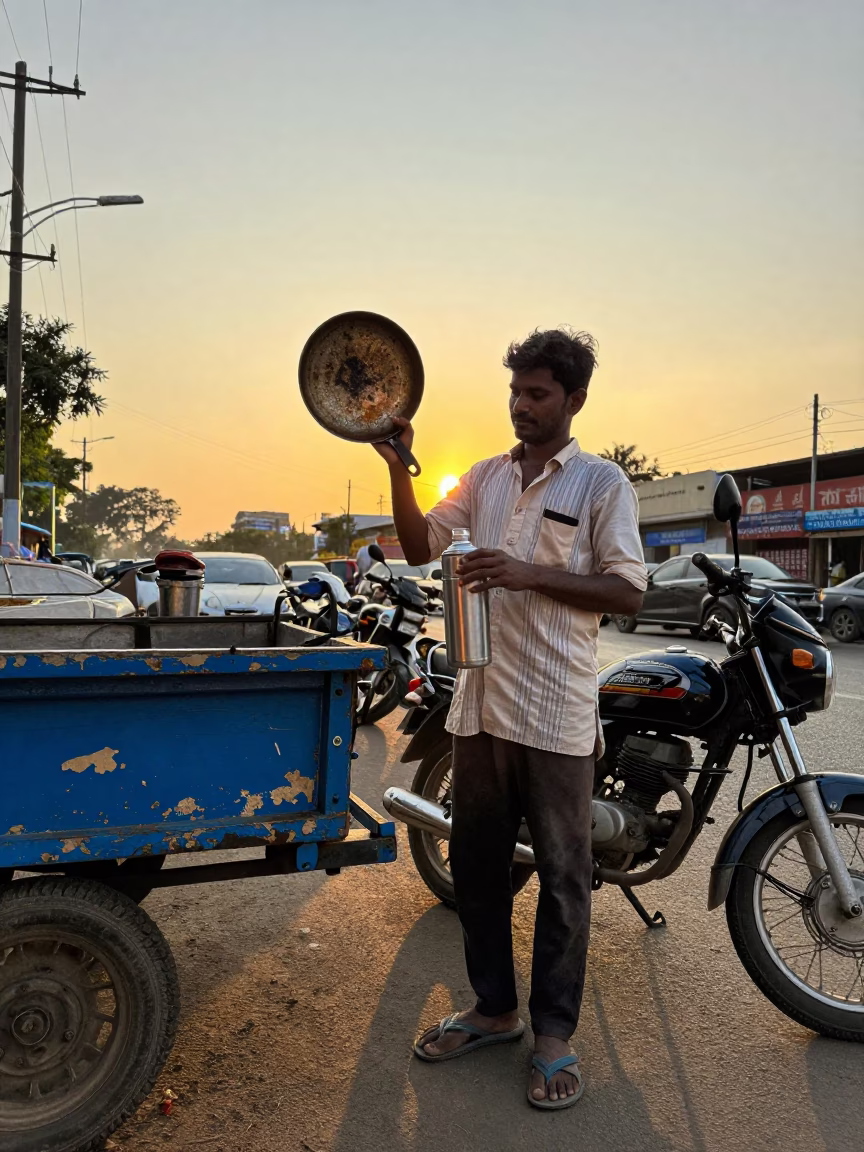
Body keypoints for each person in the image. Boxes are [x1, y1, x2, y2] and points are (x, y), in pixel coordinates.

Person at [374, 327, 646, 1109]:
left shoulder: (601, 485)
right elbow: (423, 543)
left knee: (564, 879)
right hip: (480, 706)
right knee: (479, 870)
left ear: (574, 400)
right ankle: (495, 1009)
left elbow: (628, 591)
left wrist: (527, 573)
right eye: (516, 393)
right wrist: (397, 469)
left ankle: (554, 1036)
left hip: (556, 712)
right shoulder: (488, 478)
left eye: (538, 394)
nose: (522, 407)